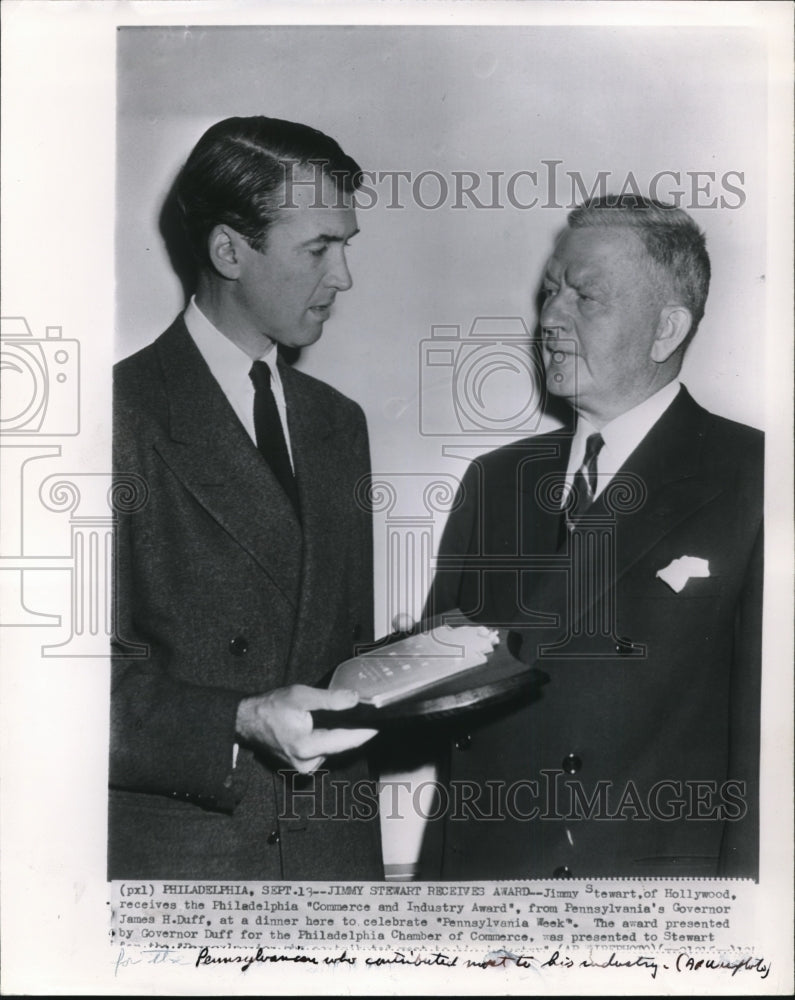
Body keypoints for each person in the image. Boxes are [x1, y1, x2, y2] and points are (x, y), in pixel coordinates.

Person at [422, 195, 763, 879]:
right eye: (550, 291)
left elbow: (764, 748)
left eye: (585, 297)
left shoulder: (754, 477)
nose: (549, 319)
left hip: (648, 907)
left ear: (665, 330)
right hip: (488, 902)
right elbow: (441, 712)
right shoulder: (494, 481)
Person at [109, 116, 383, 880]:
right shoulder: (106, 418)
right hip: (189, 869)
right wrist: (239, 719)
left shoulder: (339, 424)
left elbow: (335, 657)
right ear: (229, 250)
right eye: (318, 249)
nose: (343, 278)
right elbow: (52, 695)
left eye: (346, 245)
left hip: (334, 864)